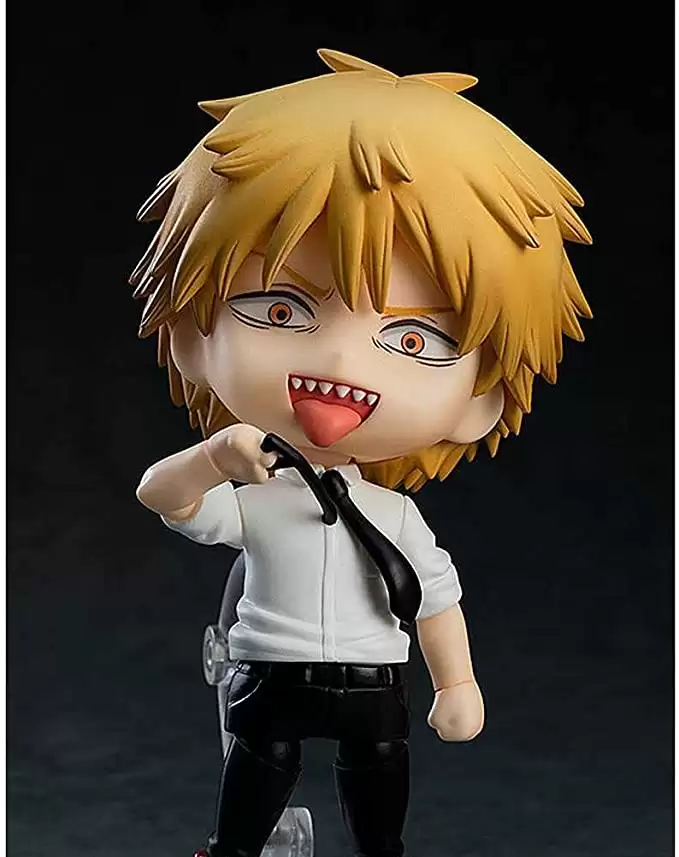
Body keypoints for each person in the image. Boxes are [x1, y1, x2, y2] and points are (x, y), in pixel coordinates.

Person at [132, 49, 591, 857]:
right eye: (281, 309)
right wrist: (213, 456)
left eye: (413, 339)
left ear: (478, 399)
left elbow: (435, 600)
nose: (342, 363)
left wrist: (456, 681)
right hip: (269, 678)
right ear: (192, 335)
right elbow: (162, 496)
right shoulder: (258, 495)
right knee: (255, 779)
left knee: (378, 783)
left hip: (373, 682)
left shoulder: (395, 516)